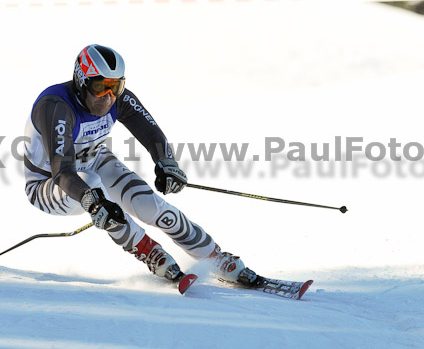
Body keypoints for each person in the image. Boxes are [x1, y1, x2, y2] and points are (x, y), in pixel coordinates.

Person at [23, 44, 257, 285]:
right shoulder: (56, 107)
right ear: (82, 81)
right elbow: (62, 172)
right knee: (93, 188)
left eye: (115, 86)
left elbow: (151, 132)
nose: (108, 96)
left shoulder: (118, 99)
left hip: (93, 159)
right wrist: (93, 202)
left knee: (147, 201)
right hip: (49, 184)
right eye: (99, 87)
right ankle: (148, 250)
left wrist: (167, 163)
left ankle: (214, 256)